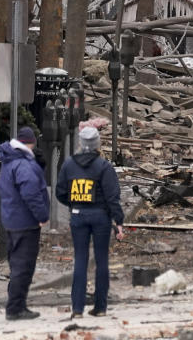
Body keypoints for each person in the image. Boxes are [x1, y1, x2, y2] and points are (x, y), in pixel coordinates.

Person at [56, 126, 125, 319]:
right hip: (101, 217)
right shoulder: (104, 166)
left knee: (80, 260)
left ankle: (77, 309)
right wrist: (118, 221)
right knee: (101, 261)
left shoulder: (69, 165)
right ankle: (100, 307)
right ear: (97, 145)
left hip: (78, 215)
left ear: (80, 143)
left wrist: (74, 204)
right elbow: (113, 197)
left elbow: (60, 192)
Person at [0, 126, 50, 321]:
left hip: (11, 220)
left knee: (16, 265)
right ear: (31, 143)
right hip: (25, 222)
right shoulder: (23, 165)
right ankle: (15, 308)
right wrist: (43, 215)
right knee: (23, 266)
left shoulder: (9, 161)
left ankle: (16, 304)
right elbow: (31, 192)